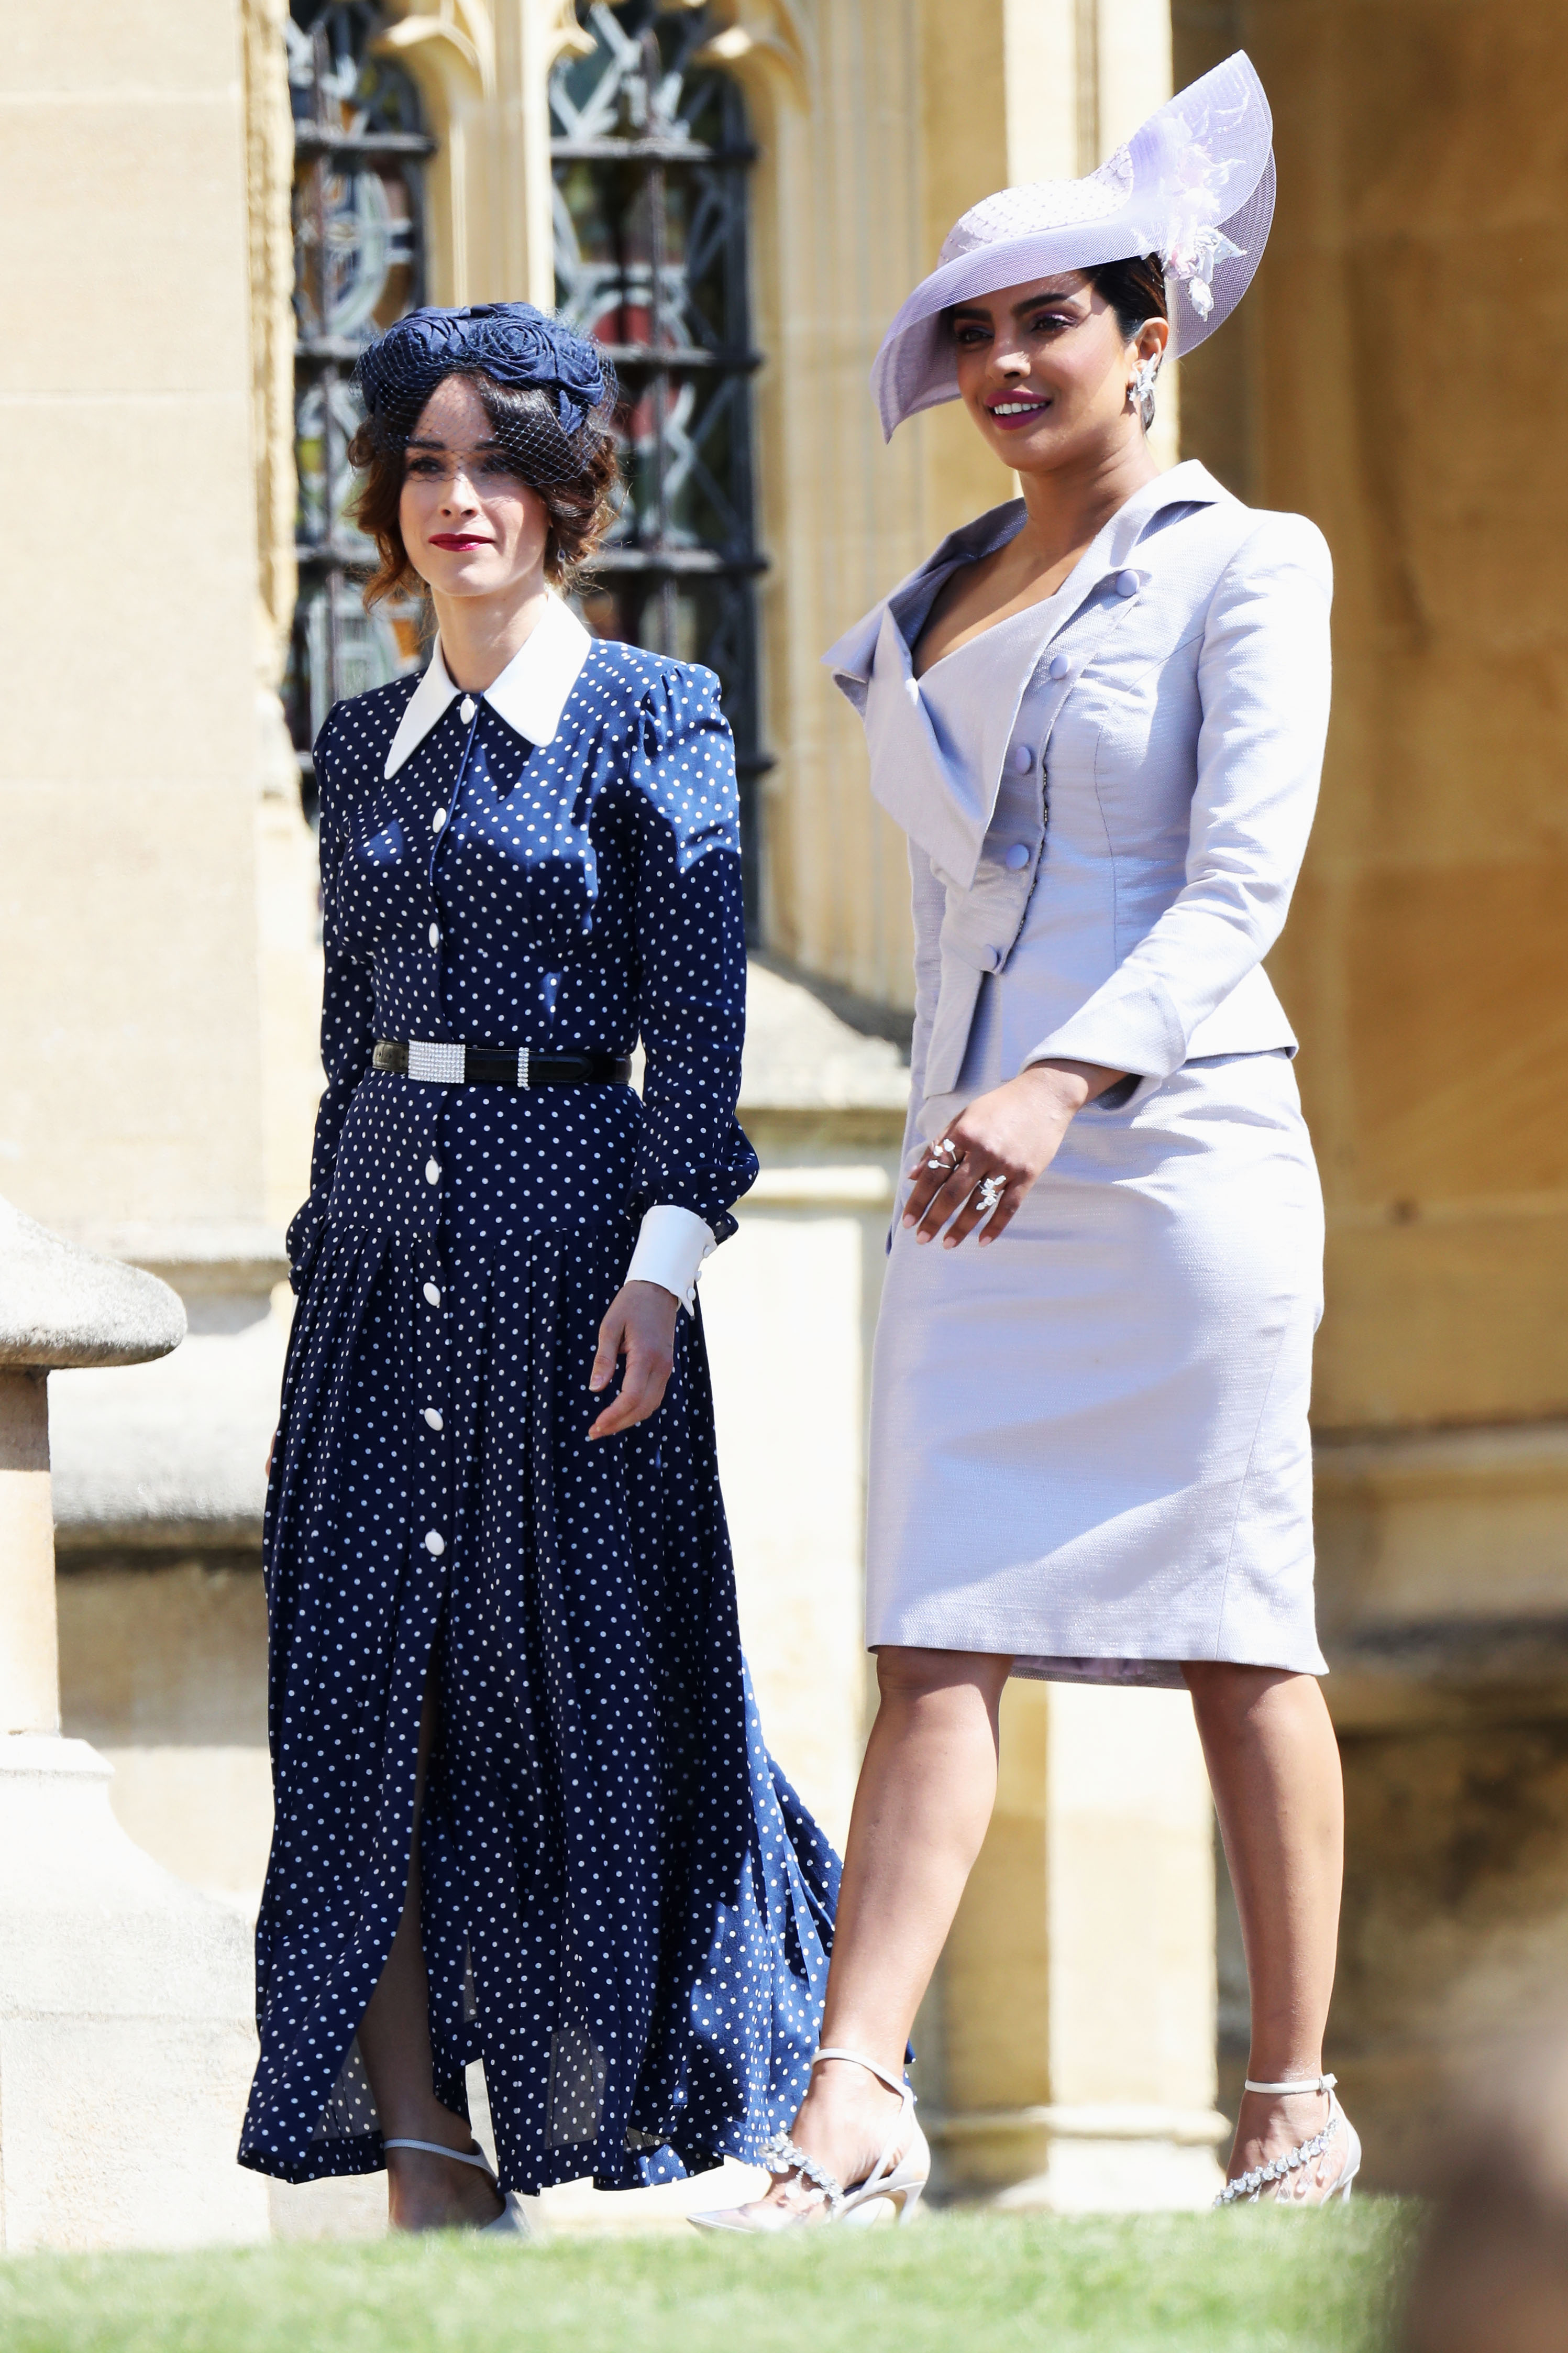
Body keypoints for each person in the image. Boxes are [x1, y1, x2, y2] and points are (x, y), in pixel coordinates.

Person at [697, 53, 1355, 2230]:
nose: (998, 360)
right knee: (930, 1626)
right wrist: (963, 1113)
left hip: (1171, 1167)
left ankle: (1286, 2104)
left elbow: (1230, 892)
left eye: (1042, 319)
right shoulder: (941, 596)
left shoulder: (1246, 564)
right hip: (967, 1182)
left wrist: (1059, 1077)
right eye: (970, 329)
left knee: (1236, 1626)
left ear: (1146, 327)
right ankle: (847, 2110)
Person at [240, 303, 836, 2231]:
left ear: (571, 493)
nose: (458, 499)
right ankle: (425, 2146)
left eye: (499, 464)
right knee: (360, 1695)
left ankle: (755, 2084)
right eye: (423, 462)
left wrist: (664, 1260)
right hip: (376, 1265)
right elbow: (353, 1035)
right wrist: (332, 1235)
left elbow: (696, 1026)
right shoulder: (357, 745)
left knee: (594, 1689)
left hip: (576, 1267)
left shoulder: (653, 716)